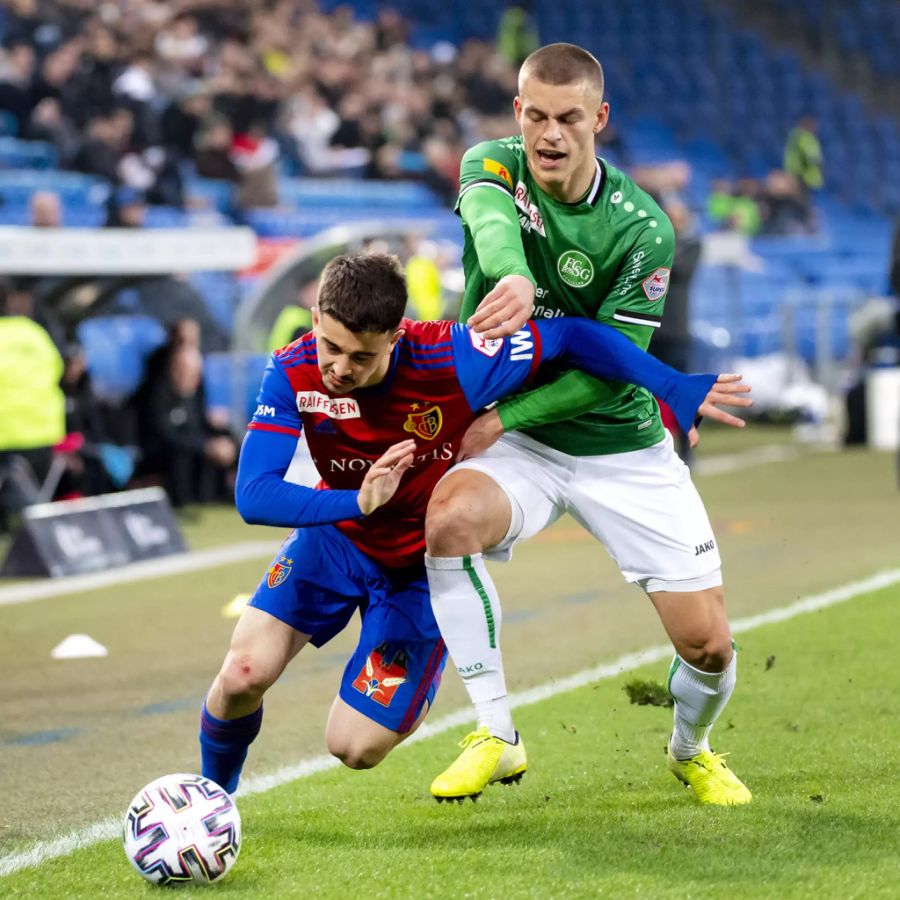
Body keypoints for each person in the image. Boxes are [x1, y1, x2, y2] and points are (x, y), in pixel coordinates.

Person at [197, 251, 750, 795]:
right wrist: (357, 504)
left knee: (353, 747)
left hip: (418, 571)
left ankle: (457, 689)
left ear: (395, 336)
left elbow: (573, 337)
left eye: (360, 357)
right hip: (334, 541)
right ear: (315, 318)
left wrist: (666, 383)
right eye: (331, 346)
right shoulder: (292, 369)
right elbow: (254, 495)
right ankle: (211, 801)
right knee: (242, 675)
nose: (339, 368)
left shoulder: (454, 358)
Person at [423, 43, 753, 807]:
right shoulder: (492, 162)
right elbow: (488, 218)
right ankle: (496, 735)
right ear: (518, 112)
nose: (549, 133)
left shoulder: (643, 229)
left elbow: (609, 366)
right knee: (451, 519)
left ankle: (690, 748)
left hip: (618, 443)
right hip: (520, 446)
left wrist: (504, 414)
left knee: (708, 644)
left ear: (598, 119)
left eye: (569, 118)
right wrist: (509, 272)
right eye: (534, 114)